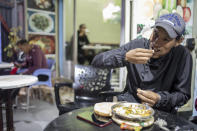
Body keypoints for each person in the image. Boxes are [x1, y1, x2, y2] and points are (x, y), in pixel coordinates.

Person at [91, 13, 192, 113]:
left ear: (178, 41)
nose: (156, 42)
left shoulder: (183, 56)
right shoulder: (137, 45)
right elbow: (97, 62)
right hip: (129, 107)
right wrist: (124, 57)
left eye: (165, 39)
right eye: (156, 33)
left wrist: (160, 99)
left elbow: (183, 95)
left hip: (161, 113)